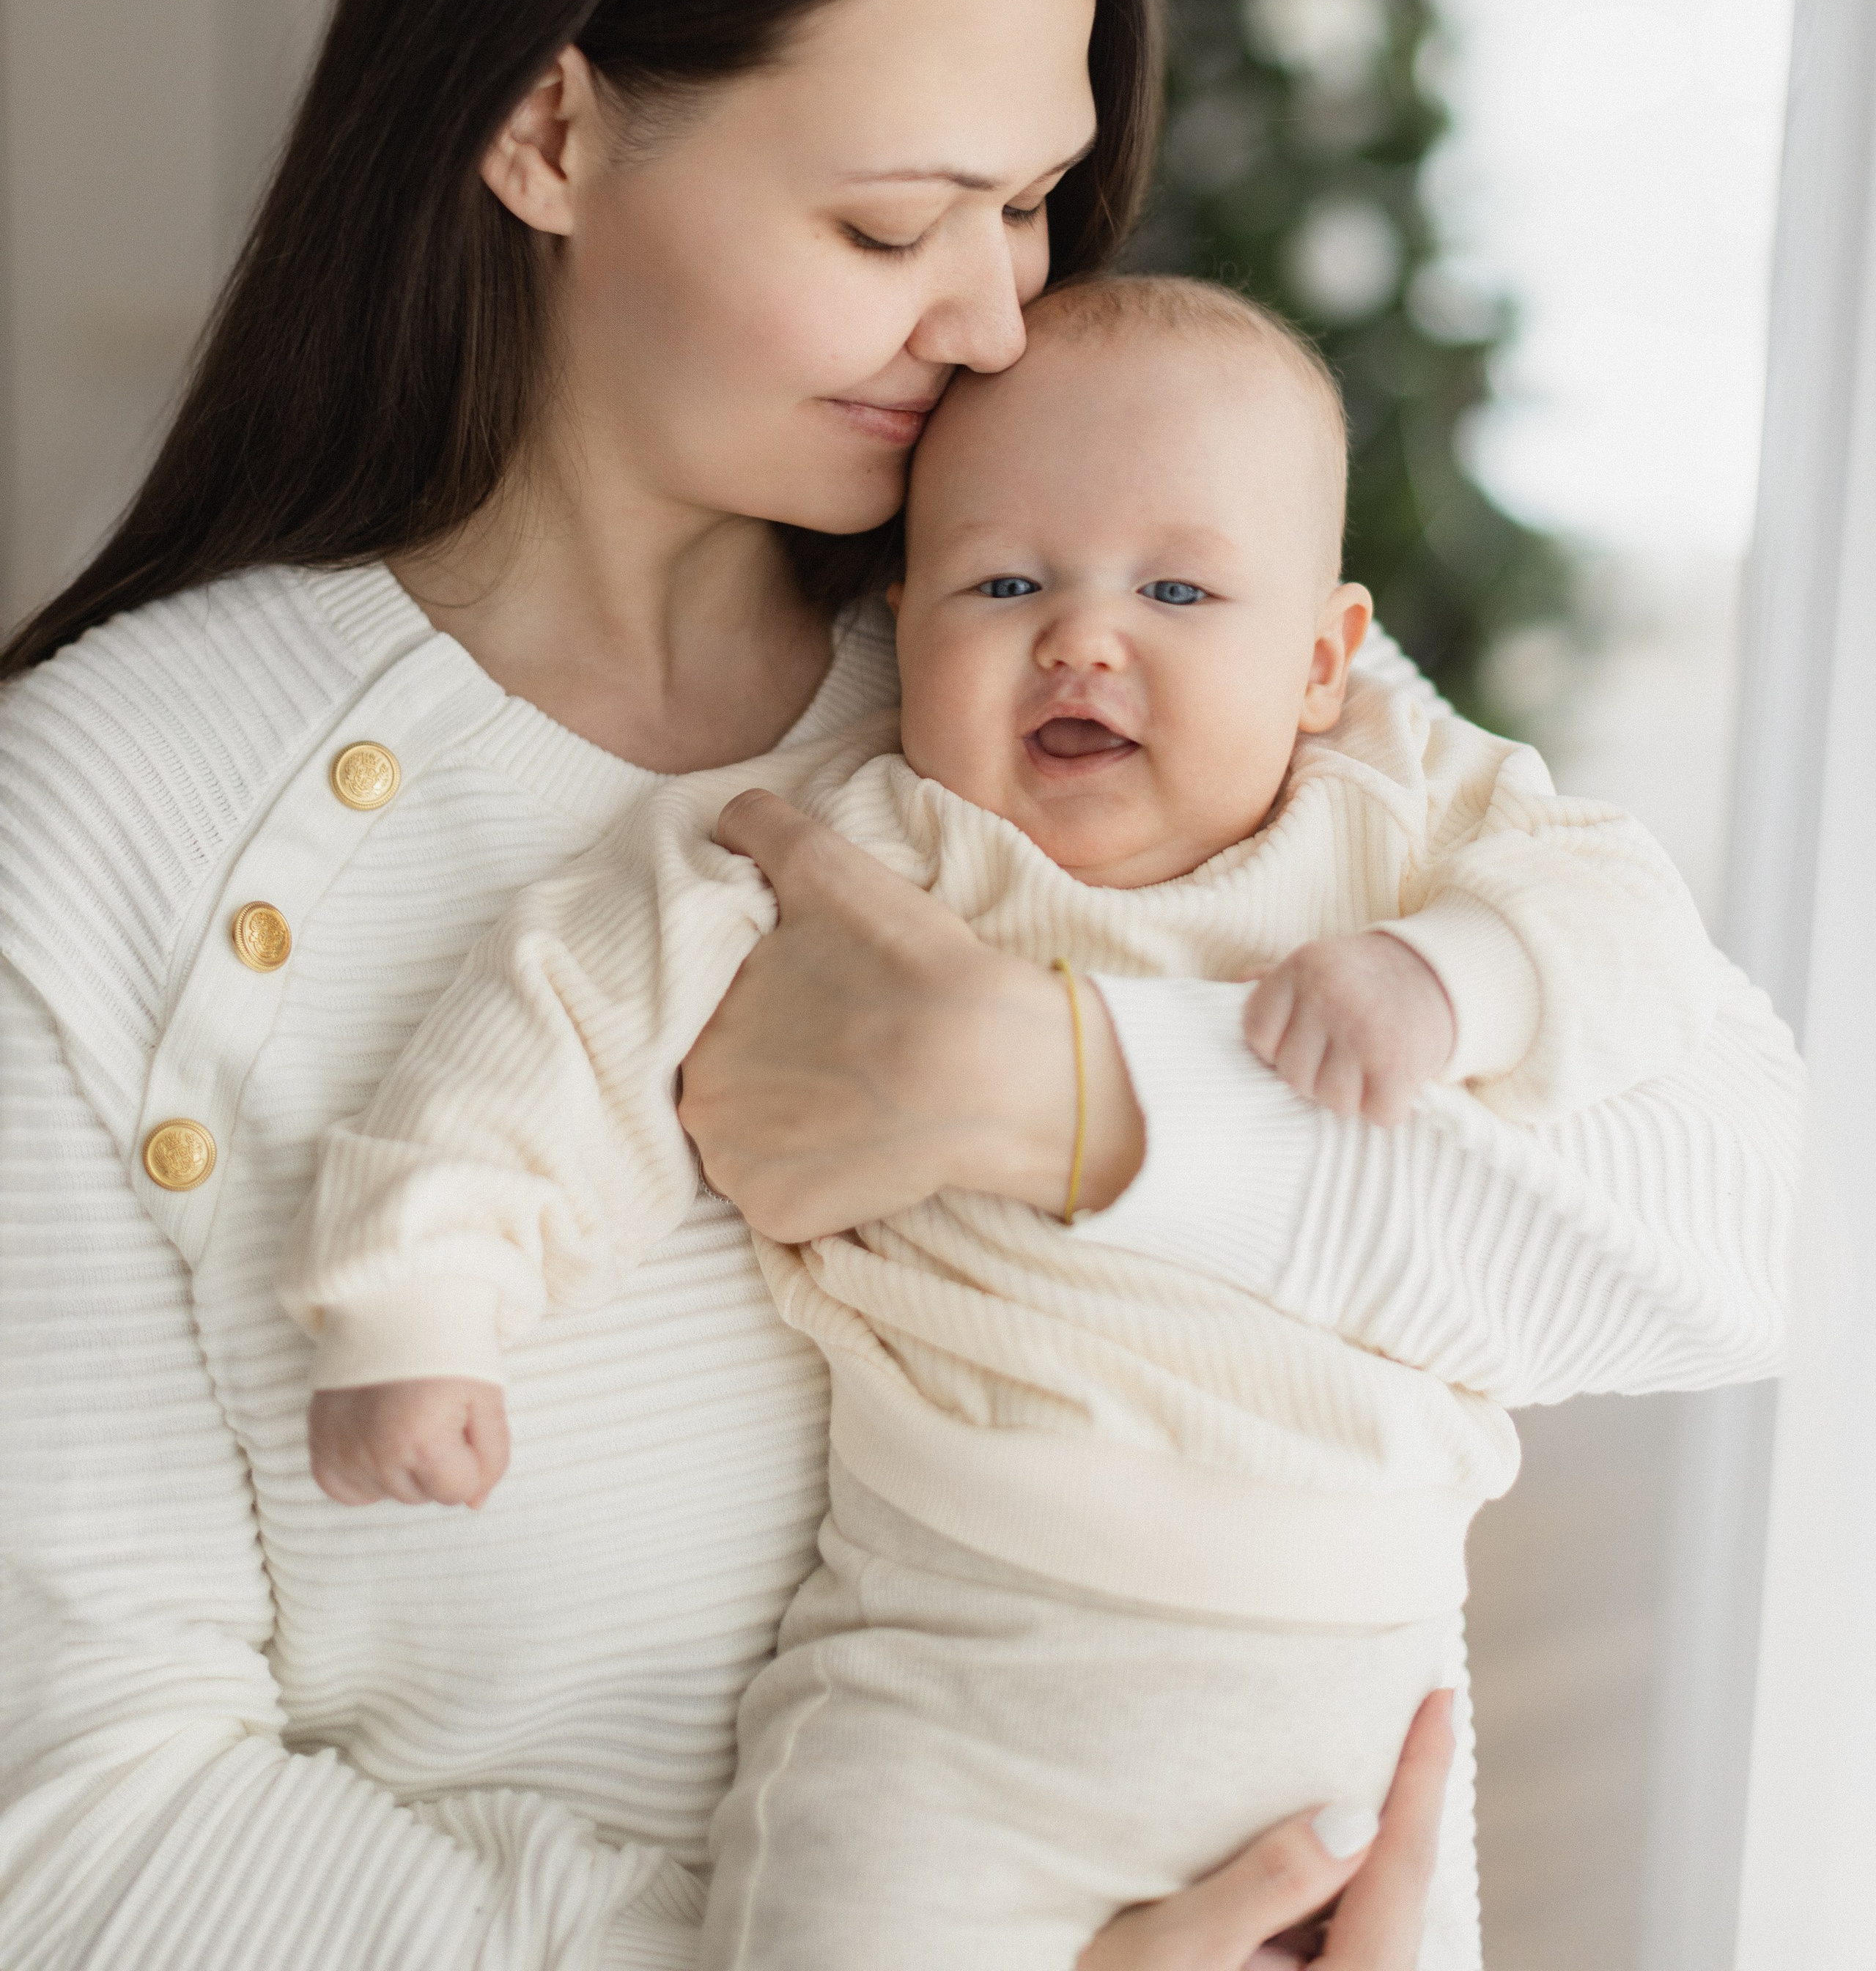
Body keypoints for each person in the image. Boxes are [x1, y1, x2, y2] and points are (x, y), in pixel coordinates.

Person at [0, 0, 1798, 1971]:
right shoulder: (111, 830)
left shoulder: (1114, 669)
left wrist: (1075, 1099)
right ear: (547, 134)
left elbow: (1747, 1234)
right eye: (888, 223)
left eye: (1035, 204)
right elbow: (73, 1833)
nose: (989, 319)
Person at [281, 273, 1718, 1970]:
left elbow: (1631, 927)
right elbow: (563, 1010)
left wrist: (1454, 977)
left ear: (1325, 659)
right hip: (958, 1686)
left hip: (1354, 1707)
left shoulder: (1400, 822)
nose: (1084, 637)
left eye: (1177, 587)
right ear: (903, 618)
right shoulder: (862, 843)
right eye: (1003, 582)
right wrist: (420, 1300)